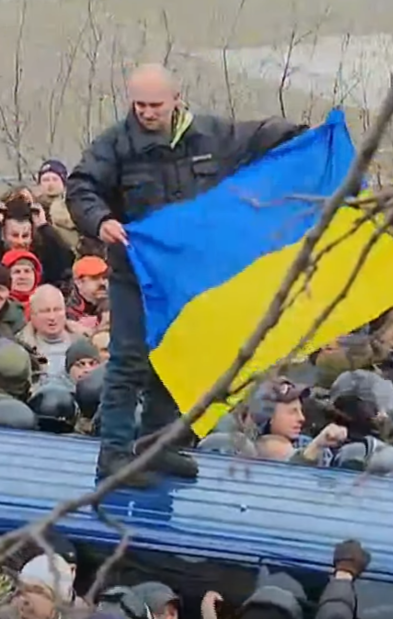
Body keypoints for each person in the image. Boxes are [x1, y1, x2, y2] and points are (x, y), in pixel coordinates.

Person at [67, 63, 305, 485]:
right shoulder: (116, 144)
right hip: (135, 273)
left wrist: (308, 134)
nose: (146, 112)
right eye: (139, 104)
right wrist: (99, 220)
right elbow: (81, 186)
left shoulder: (211, 136)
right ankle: (114, 456)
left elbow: (260, 136)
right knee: (128, 363)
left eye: (155, 105)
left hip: (187, 273)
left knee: (175, 358)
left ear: (176, 99)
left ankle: (157, 447)